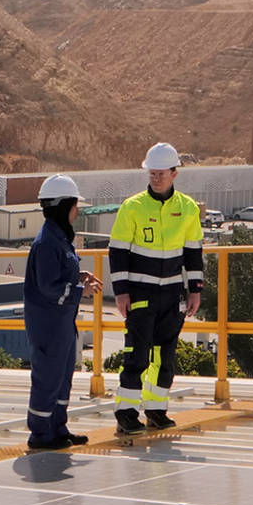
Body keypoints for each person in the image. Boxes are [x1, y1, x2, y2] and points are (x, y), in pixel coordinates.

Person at [107, 142, 203, 435]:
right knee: (136, 353)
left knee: (165, 355)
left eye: (161, 173)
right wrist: (121, 291)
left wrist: (195, 290)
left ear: (175, 173)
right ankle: (125, 413)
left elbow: (193, 252)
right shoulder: (132, 206)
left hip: (172, 295)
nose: (156, 178)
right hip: (140, 294)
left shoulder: (187, 208)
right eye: (152, 173)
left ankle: (156, 410)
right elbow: (118, 251)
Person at [22, 175, 99, 450]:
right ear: (63, 205)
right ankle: (41, 434)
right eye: (75, 204)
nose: (77, 211)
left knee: (63, 375)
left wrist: (80, 277)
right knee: (47, 377)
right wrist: (81, 291)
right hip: (48, 325)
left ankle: (58, 427)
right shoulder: (46, 243)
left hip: (62, 324)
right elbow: (48, 287)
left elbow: (61, 276)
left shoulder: (60, 238)